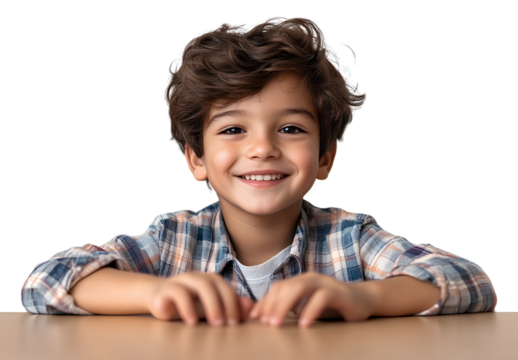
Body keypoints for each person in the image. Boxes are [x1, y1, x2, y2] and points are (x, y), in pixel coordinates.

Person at [20, 15, 497, 328]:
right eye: (232, 130)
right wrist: (154, 293)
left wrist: (365, 300)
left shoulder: (351, 237)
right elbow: (44, 282)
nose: (263, 148)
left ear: (326, 157)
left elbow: (471, 280)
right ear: (196, 159)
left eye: (290, 128)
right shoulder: (173, 238)